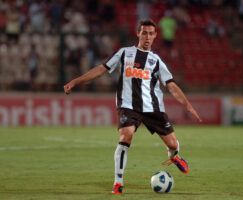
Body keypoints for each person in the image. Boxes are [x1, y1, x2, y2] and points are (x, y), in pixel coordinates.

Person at [64, 19, 202, 194]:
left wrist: (188, 105)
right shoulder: (124, 53)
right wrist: (75, 81)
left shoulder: (157, 61)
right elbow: (101, 69)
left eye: (151, 33)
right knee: (126, 135)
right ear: (138, 33)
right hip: (128, 105)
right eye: (144, 33)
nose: (147, 37)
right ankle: (118, 183)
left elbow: (171, 86)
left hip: (153, 108)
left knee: (173, 144)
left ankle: (173, 156)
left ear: (155, 36)